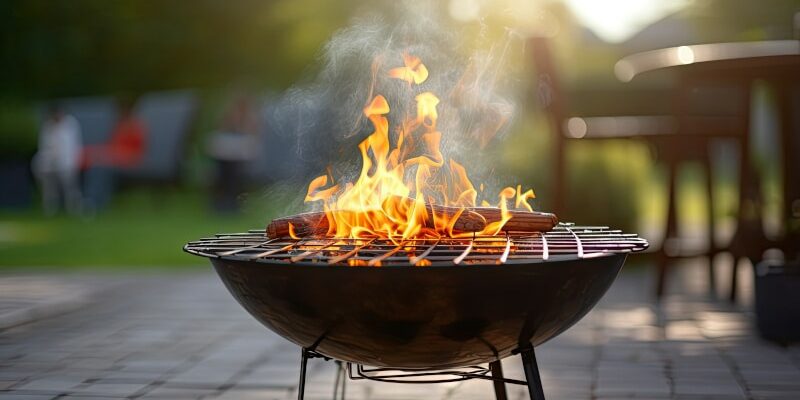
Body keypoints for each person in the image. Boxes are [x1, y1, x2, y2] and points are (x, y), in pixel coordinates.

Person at [82, 101, 147, 211]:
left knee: (101, 166)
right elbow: (113, 144)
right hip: (114, 158)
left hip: (128, 161)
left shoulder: (137, 126)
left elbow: (137, 149)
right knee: (97, 166)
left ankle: (96, 201)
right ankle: (91, 200)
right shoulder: (120, 126)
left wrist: (112, 155)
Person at [207, 93, 259, 212]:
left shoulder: (251, 121)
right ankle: (223, 201)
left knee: (233, 171)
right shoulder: (227, 121)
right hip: (225, 158)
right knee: (224, 170)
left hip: (243, 161)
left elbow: (252, 143)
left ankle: (231, 201)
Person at [31, 104, 83, 216]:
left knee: (70, 186)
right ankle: (50, 208)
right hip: (50, 164)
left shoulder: (70, 125)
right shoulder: (48, 127)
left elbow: (72, 148)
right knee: (48, 186)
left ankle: (74, 207)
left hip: (67, 163)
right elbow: (44, 147)